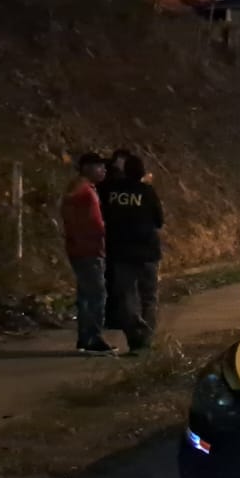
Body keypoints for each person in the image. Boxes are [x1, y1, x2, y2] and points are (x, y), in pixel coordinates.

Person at [102, 154, 165, 354]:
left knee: (126, 296)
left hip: (120, 252)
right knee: (149, 296)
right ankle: (145, 339)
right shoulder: (147, 191)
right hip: (147, 252)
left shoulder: (111, 192)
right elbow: (159, 220)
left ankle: (134, 337)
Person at [61, 153, 115, 353]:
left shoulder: (83, 188)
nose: (104, 171)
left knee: (88, 294)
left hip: (85, 248)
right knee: (95, 294)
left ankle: (87, 338)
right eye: (100, 167)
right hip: (88, 249)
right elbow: (86, 219)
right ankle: (93, 338)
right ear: (87, 168)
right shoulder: (81, 190)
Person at [98, 149, 132, 329]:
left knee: (110, 278)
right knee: (118, 280)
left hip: (107, 235)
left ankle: (111, 316)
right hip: (117, 236)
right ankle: (117, 316)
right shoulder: (118, 182)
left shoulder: (103, 182)